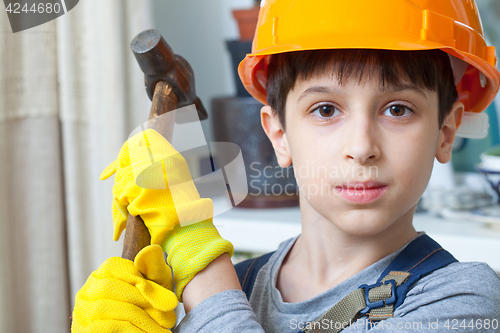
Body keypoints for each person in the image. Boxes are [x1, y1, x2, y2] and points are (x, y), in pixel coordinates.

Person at [71, 1, 500, 332]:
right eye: (327, 109)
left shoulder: (462, 301)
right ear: (278, 133)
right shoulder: (235, 288)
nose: (362, 147)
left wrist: (194, 252)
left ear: (446, 132)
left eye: (398, 109)